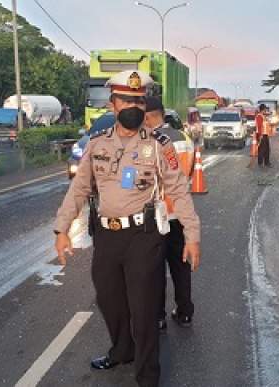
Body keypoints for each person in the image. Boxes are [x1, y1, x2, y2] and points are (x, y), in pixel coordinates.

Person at [53, 70, 201, 387]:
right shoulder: (96, 144)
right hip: (106, 236)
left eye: (139, 100)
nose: (134, 106)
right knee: (109, 299)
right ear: (113, 104)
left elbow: (179, 191)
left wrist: (192, 235)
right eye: (127, 100)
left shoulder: (160, 145)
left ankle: (148, 376)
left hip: (143, 237)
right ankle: (123, 351)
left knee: (144, 308)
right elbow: (79, 188)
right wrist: (62, 229)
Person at [143, 97, 196, 331]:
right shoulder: (184, 138)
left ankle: (158, 317)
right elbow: (190, 171)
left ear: (147, 117)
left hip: (155, 215)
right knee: (181, 265)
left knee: (154, 269)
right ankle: (185, 312)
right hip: (180, 213)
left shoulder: (150, 141)